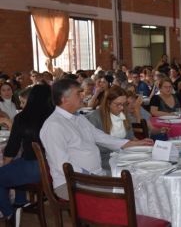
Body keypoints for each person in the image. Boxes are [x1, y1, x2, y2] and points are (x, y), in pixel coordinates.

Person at [40, 79, 153, 200]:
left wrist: (133, 143)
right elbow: (62, 165)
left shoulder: (78, 118)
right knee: (129, 191)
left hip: (94, 176)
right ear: (64, 99)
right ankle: (117, 218)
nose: (83, 96)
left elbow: (101, 137)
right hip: (72, 183)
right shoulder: (54, 126)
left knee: (138, 183)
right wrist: (94, 178)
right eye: (78, 93)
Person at [0, 84, 54, 226]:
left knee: (8, 170)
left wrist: (5, 167)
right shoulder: (55, 116)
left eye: (24, 101)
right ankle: (20, 201)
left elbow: (11, 149)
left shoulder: (22, 118)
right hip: (55, 168)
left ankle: (9, 213)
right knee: (16, 165)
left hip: (36, 168)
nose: (22, 104)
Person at [86, 86, 135, 172]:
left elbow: (131, 138)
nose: (122, 108)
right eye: (118, 104)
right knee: (131, 171)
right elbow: (95, 145)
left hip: (125, 156)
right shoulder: (95, 117)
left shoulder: (124, 114)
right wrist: (122, 147)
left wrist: (143, 143)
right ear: (108, 103)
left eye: (124, 104)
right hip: (105, 159)